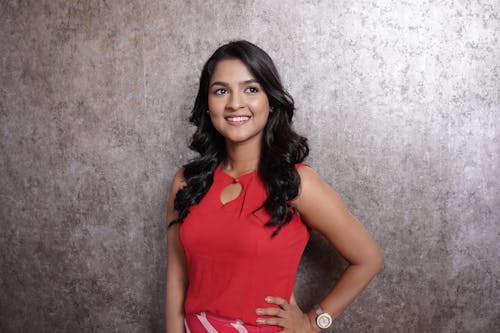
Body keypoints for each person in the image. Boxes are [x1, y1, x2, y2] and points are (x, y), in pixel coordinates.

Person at [165, 40, 383, 333]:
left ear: (271, 102)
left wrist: (313, 322)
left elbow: (368, 259)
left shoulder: (297, 183)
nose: (234, 103)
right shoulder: (186, 182)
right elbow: (177, 276)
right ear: (207, 105)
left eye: (251, 89)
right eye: (221, 91)